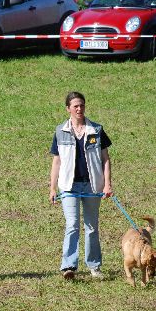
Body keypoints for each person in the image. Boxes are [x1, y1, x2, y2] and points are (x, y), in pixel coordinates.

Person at [49, 91, 113, 280]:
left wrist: (107, 184)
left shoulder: (96, 130)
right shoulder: (60, 131)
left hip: (93, 186)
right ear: (68, 108)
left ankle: (94, 266)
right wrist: (52, 188)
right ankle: (68, 266)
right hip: (69, 187)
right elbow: (56, 162)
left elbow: (105, 159)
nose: (79, 109)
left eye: (82, 105)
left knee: (92, 226)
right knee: (72, 225)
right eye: (75, 106)